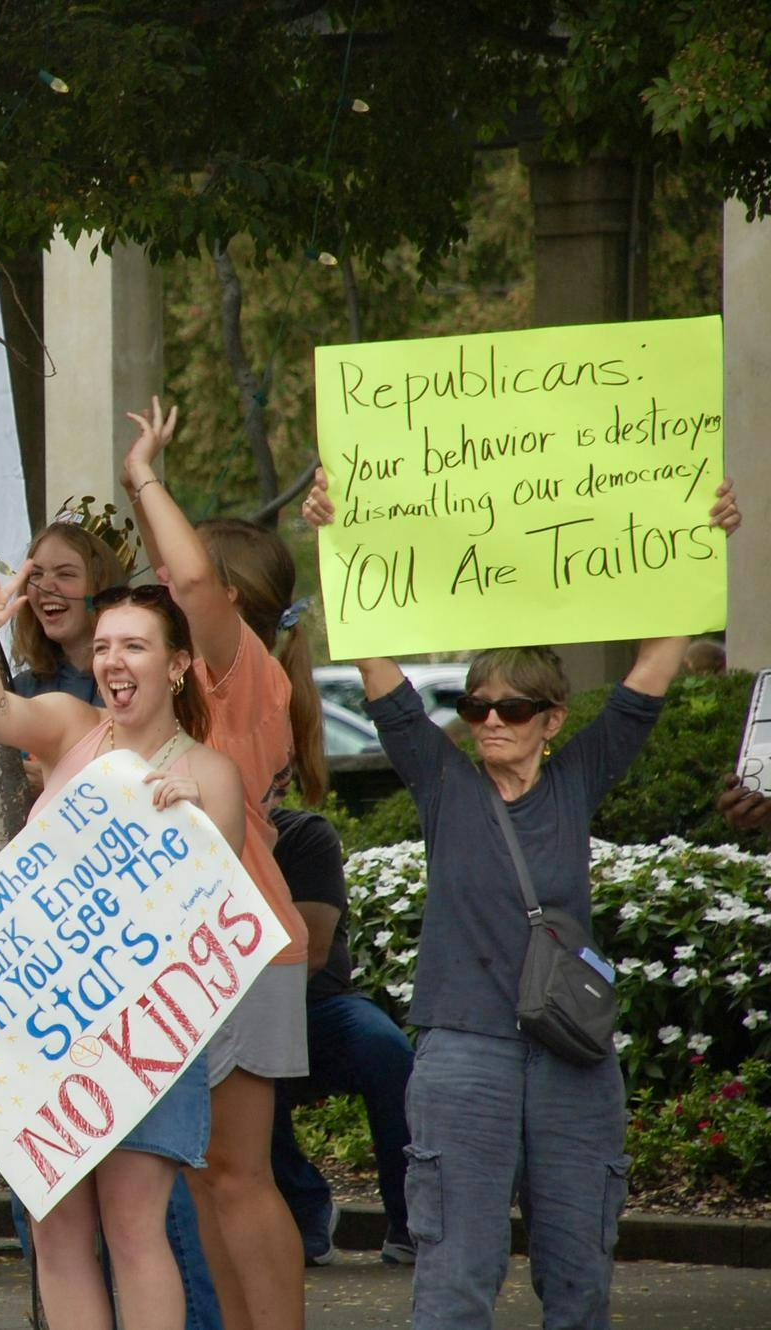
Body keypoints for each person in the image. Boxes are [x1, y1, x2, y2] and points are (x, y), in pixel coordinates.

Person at [302, 469, 740, 1329]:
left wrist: (703, 538)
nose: (491, 720)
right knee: (457, 1283)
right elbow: (379, 676)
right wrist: (333, 535)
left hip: (573, 1058)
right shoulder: (443, 782)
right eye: (475, 705)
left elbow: (652, 668)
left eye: (512, 707)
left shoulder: (579, 777)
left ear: (553, 717)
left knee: (580, 1285)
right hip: (465, 1055)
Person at [0, 567, 243, 1330]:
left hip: (144, 1028)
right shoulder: (70, 728)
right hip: (43, 1022)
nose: (115, 660)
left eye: (137, 646)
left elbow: (222, 914)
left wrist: (196, 832)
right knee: (55, 1229)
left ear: (177, 664)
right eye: (106, 644)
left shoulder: (211, 774)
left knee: (133, 1224)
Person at [123, 398, 317, 1330]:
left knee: (237, 1177)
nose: (164, 587)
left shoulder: (234, 667)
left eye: (172, 582)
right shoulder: (226, 681)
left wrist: (146, 477)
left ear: (227, 603)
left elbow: (193, 583)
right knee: (210, 1176)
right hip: (199, 949)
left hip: (237, 950)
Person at [265, 805, 414, 1268]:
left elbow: (309, 950)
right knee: (237, 1064)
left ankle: (412, 1219)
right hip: (234, 1012)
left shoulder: (304, 834)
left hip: (318, 1003)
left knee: (386, 1050)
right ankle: (305, 1204)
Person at [9, 521, 128, 794]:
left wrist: (58, 780)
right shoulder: (21, 688)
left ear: (100, 588)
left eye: (65, 574)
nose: (45, 588)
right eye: (35, 575)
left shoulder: (133, 682)